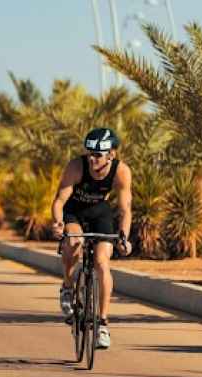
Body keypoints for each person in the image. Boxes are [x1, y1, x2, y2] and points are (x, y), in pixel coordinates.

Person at [51, 127, 132, 350]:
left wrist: (124, 237)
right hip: (74, 212)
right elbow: (59, 201)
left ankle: (102, 323)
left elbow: (125, 209)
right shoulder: (76, 167)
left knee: (102, 262)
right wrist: (58, 223)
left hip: (100, 213)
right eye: (89, 153)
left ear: (111, 155)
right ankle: (68, 287)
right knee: (74, 241)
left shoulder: (121, 171)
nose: (92, 159)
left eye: (97, 155)